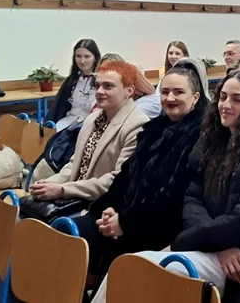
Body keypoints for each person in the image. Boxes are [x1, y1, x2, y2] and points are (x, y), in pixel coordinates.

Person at [89, 71, 240, 302]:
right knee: (125, 267)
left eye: (237, 99)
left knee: (133, 270)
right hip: (213, 246)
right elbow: (192, 199)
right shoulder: (215, 138)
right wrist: (217, 247)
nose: (226, 105)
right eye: (223, 97)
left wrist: (186, 243)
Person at [73, 60, 209, 282]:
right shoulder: (154, 129)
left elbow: (173, 197)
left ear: (195, 97)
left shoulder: (201, 136)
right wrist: (107, 210)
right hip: (126, 218)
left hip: (159, 229)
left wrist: (125, 223)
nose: (170, 98)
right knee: (67, 237)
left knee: (88, 253)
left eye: (178, 92)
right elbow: (125, 176)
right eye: (165, 92)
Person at [31, 60, 149, 203]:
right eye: (97, 85)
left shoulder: (138, 125)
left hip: (104, 205)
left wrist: (63, 190)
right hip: (76, 196)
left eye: (108, 86)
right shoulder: (93, 119)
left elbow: (119, 180)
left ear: (129, 91)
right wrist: (51, 183)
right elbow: (75, 163)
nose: (99, 91)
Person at [49, 39, 101, 130]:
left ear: (95, 57)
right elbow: (59, 109)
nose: (82, 61)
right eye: (78, 56)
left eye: (87, 56)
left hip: (90, 126)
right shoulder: (72, 80)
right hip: (68, 123)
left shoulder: (101, 81)